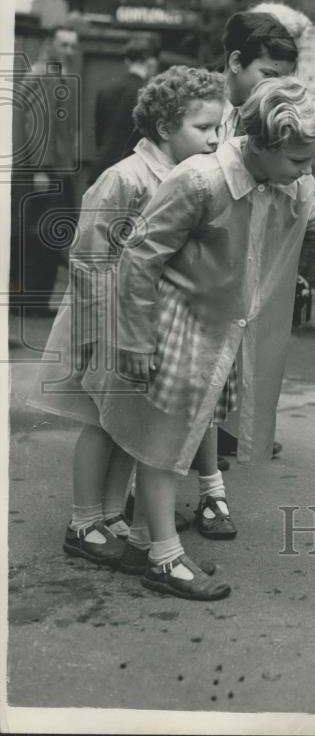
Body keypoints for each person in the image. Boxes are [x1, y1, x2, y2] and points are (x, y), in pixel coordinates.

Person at [83, 76, 315, 600]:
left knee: (179, 437)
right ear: (261, 143)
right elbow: (139, 259)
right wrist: (132, 339)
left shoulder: (293, 185)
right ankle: (164, 557)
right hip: (175, 326)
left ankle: (140, 539)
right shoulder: (198, 180)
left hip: (221, 336)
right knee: (160, 447)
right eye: (298, 159)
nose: (307, 170)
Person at [27, 66, 226, 572]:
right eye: (203, 128)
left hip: (139, 323)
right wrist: (97, 336)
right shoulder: (125, 179)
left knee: (124, 427)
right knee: (99, 424)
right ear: (164, 127)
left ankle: (110, 515)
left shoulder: (179, 179)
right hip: (106, 324)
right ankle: (82, 522)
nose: (214, 138)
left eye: (218, 128)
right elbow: (89, 259)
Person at [216, 6, 310, 463]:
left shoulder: (271, 113)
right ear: (236, 62)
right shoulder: (201, 111)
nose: (276, 88)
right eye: (268, 74)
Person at [10, 23, 80, 316]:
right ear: (50, 44)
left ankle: (37, 300)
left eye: (72, 45)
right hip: (42, 170)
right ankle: (28, 303)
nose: (68, 51)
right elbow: (37, 126)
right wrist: (39, 168)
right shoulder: (41, 75)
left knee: (47, 234)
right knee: (37, 235)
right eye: (63, 44)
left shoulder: (57, 76)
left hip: (56, 168)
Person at [90, 33, 161, 183]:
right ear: (149, 61)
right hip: (133, 172)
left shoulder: (106, 90)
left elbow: (99, 133)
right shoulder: (149, 94)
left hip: (103, 167)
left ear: (127, 61)